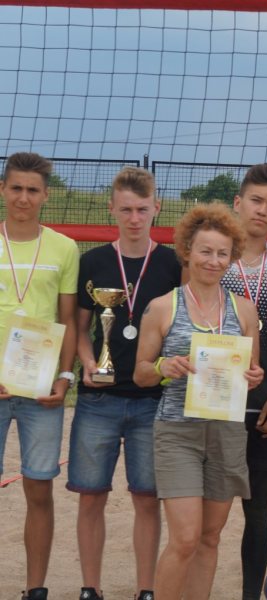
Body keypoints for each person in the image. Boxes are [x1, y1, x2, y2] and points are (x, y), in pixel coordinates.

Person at [134, 202, 265, 600]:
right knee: (185, 538)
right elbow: (140, 373)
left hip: (226, 431)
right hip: (178, 432)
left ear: (232, 257)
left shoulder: (244, 310)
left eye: (222, 253)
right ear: (188, 250)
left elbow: (252, 372)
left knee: (210, 538)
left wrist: (255, 377)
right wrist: (164, 366)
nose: (214, 260)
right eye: (206, 251)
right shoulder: (163, 307)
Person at [68, 167, 181, 600]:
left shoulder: (172, 264)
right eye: (126, 210)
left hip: (153, 399)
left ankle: (146, 589)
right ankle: (90, 588)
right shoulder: (93, 261)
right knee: (91, 495)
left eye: (142, 210)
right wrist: (88, 362)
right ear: (111, 209)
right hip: (99, 399)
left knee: (147, 499)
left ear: (157, 209)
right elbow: (80, 328)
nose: (135, 218)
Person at [0, 152, 78, 600]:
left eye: (32, 190)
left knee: (39, 488)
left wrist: (65, 378)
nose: (23, 197)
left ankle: (35, 589)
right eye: (16, 188)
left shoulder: (63, 247)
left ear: (46, 195)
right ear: (3, 190)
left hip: (42, 390)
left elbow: (68, 319)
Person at [221, 163, 267, 600]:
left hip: (266, 405)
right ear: (238, 202)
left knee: (259, 513)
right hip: (216, 403)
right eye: (256, 201)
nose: (263, 210)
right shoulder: (212, 257)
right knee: (208, 515)